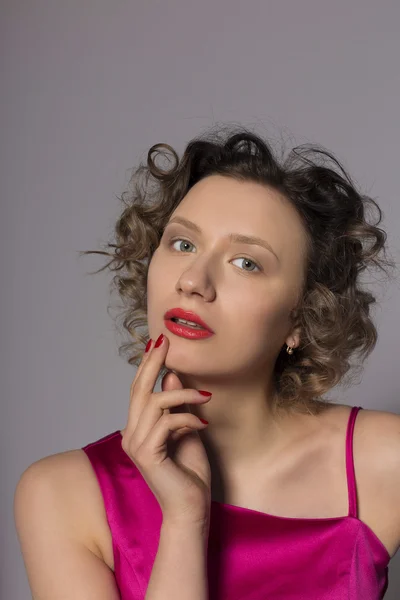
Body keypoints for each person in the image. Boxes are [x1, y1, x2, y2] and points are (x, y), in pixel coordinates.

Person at [14, 125, 400, 599]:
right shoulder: (61, 495)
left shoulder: (384, 462)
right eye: (182, 244)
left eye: (247, 263)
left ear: (302, 316)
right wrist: (183, 521)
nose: (194, 280)